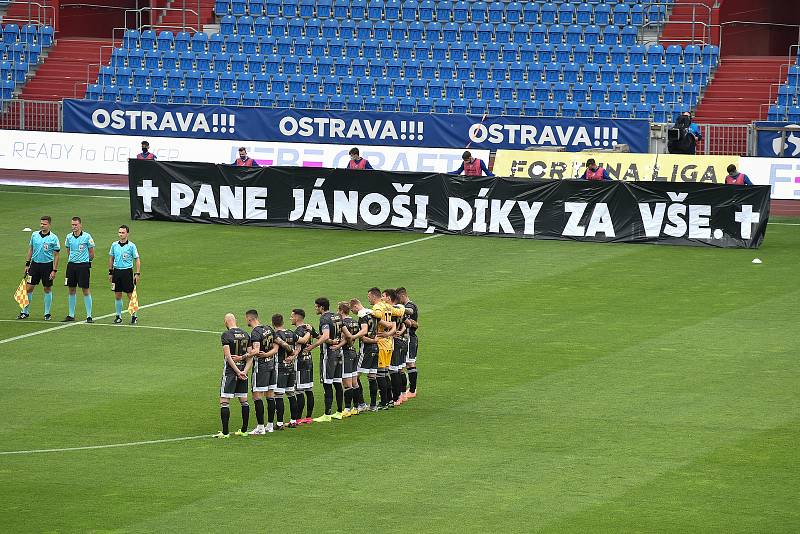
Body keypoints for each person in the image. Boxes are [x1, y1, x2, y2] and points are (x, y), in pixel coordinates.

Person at [305, 297, 344, 422]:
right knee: (338, 382)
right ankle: (339, 411)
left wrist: (313, 346)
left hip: (329, 354)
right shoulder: (337, 316)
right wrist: (337, 344)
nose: (315, 309)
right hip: (339, 352)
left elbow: (326, 336)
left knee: (327, 383)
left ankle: (327, 414)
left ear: (322, 307)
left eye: (316, 306)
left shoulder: (324, 318)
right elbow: (346, 334)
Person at [214, 313, 252, 438]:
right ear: (235, 320)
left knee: (224, 401)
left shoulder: (226, 335)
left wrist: (236, 371)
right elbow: (250, 356)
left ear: (226, 322)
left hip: (231, 372)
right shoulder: (246, 334)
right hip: (243, 372)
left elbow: (228, 357)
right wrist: (244, 371)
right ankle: (244, 430)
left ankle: (225, 432)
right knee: (244, 401)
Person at [18, 215, 60, 320]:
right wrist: (27, 264)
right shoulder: (34, 235)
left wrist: (54, 270)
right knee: (28, 288)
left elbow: (56, 255)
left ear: (49, 224)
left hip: (47, 266)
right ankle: (24, 312)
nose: (42, 225)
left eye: (44, 224)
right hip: (35, 265)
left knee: (47, 288)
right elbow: (31, 249)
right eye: (41, 223)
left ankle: (47, 313)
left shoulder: (53, 238)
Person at [245, 309, 277, 435]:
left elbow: (256, 350)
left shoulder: (255, 332)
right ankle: (269, 425)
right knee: (270, 395)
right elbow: (276, 347)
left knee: (257, 395)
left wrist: (244, 356)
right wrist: (268, 354)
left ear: (249, 319)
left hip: (261, 367)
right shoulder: (268, 328)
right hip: (271, 365)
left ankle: (260, 427)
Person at [350, 298, 382, 411]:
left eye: (352, 309)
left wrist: (353, 337)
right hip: (376, 348)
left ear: (355, 306)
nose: (352, 312)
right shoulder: (372, 314)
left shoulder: (362, 316)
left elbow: (363, 334)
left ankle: (361, 404)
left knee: (355, 375)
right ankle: (373, 405)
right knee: (372, 376)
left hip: (367, 349)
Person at [62, 217, 95, 323]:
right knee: (71, 289)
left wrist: (87, 262)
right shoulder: (69, 237)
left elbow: (91, 252)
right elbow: (68, 250)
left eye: (76, 225)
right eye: (72, 225)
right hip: (71, 266)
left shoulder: (87, 237)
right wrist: (72, 260)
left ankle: (89, 315)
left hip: (83, 266)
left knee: (85, 289)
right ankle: (71, 315)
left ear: (80, 225)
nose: (74, 227)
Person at [272, 313, 300, 429]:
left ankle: (279, 423)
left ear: (273, 323)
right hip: (291, 367)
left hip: (280, 367)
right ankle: (293, 421)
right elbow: (299, 346)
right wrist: (293, 357)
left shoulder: (276, 335)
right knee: (291, 393)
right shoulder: (291, 333)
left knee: (278, 395)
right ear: (282, 322)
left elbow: (275, 349)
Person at [108, 225, 141, 324]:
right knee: (117, 294)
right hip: (117, 271)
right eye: (119, 232)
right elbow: (111, 258)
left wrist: (137, 273)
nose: (120, 234)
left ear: (127, 234)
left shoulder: (131, 246)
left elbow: (137, 259)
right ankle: (118, 316)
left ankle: (134, 316)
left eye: (123, 232)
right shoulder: (114, 245)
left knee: (130, 294)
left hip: (127, 272)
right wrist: (111, 272)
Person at [291, 309, 316, 424]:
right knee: (309, 390)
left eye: (292, 316)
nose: (291, 318)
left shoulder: (298, 331)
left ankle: (298, 418)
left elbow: (298, 348)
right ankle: (309, 417)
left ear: (297, 317)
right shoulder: (309, 327)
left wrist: (291, 358)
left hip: (300, 363)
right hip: (309, 361)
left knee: (299, 391)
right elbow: (320, 336)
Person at [338, 301, 362, 417]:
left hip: (346, 353)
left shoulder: (342, 323)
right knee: (355, 382)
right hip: (353, 353)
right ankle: (356, 407)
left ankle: (347, 409)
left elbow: (347, 337)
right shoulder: (355, 322)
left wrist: (338, 345)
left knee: (347, 384)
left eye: (338, 310)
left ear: (342, 311)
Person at [397, 287, 419, 399]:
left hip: (410, 338)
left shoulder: (410, 306)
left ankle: (412, 390)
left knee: (409, 363)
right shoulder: (407, 305)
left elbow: (411, 315)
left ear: (402, 296)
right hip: (407, 339)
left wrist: (400, 310)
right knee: (406, 364)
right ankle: (409, 389)